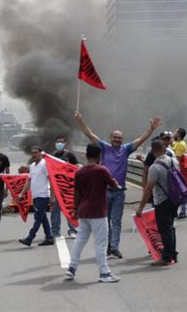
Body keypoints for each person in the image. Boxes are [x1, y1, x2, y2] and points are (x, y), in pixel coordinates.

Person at [75, 111, 161, 259]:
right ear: (110, 138)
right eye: (114, 137)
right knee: (105, 222)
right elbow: (90, 135)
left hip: (119, 192)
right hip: (104, 192)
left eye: (119, 138)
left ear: (122, 140)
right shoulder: (104, 147)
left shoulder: (126, 149)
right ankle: (106, 247)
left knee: (116, 222)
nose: (117, 139)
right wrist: (80, 122)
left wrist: (151, 129)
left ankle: (114, 247)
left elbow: (140, 139)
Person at [65, 144, 121, 283]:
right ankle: (104, 272)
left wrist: (76, 208)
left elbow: (76, 193)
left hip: (83, 211)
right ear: (98, 156)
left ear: (86, 155)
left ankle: (71, 268)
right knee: (101, 243)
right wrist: (116, 185)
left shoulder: (79, 172)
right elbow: (113, 184)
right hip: (98, 212)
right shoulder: (101, 170)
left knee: (80, 240)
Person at [136, 140, 180, 266]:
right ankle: (173, 254)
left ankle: (166, 257)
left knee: (164, 229)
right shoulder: (174, 161)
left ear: (153, 151)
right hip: (174, 199)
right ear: (164, 149)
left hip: (162, 201)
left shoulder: (155, 167)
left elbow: (148, 189)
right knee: (170, 227)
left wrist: (140, 208)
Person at [17, 146, 54, 247]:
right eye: (32, 153)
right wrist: (21, 194)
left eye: (35, 153)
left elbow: (51, 180)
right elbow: (28, 182)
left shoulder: (44, 164)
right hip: (36, 196)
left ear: (41, 153)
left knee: (38, 217)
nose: (33, 155)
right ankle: (49, 237)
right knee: (43, 218)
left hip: (43, 195)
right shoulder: (32, 166)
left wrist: (52, 197)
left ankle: (30, 238)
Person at [50, 135, 80, 239]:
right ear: (55, 143)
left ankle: (73, 230)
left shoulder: (70, 155)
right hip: (56, 187)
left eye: (61, 142)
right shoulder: (52, 156)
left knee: (70, 209)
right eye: (58, 142)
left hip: (68, 187)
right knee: (55, 210)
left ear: (65, 143)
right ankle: (55, 232)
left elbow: (77, 168)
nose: (59, 144)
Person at [172, 128, 187, 219]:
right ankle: (178, 211)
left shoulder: (181, 145)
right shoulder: (176, 143)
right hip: (176, 170)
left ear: (179, 134)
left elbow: (177, 160)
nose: (174, 132)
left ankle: (182, 211)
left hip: (178, 171)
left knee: (180, 191)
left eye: (175, 131)